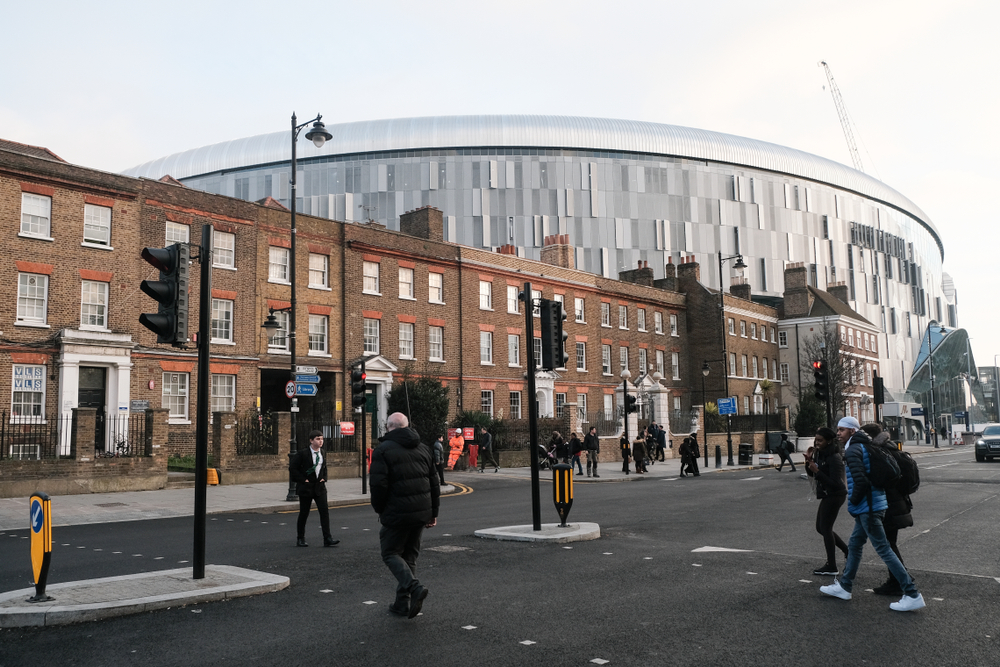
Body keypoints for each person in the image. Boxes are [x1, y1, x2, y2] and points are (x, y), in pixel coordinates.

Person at [820, 417, 926, 612]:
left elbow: (860, 482)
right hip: (874, 504)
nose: (838, 434)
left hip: (867, 508)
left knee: (884, 549)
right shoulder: (866, 446)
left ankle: (912, 593)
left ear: (852, 431)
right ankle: (845, 586)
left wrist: (852, 503)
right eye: (838, 430)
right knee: (855, 545)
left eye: (842, 430)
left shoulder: (853, 449)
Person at [370, 412, 440, 619]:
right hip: (421, 512)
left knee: (390, 553)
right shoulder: (424, 448)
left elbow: (378, 486)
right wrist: (433, 513)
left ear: (390, 427)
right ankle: (402, 603)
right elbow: (434, 483)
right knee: (409, 555)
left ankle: (414, 587)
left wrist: (380, 509)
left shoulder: (382, 450)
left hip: (397, 512)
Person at [861, 423, 915, 597]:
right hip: (899, 502)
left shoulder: (880, 453)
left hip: (889, 504)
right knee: (889, 543)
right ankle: (899, 578)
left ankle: (900, 580)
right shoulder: (890, 449)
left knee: (887, 545)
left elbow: (879, 480)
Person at [804, 427, 848, 576]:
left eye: (820, 440)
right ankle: (847, 551)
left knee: (825, 528)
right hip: (827, 494)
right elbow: (813, 473)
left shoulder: (834, 458)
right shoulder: (820, 454)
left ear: (829, 441)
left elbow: (836, 482)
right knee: (820, 528)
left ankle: (831, 565)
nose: (817, 443)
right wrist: (808, 462)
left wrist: (818, 471)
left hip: (836, 495)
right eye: (816, 440)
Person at [289, 430, 339, 548]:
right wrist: (303, 480)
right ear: (311, 441)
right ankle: (300, 538)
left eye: (321, 439)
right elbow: (292, 468)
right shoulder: (303, 454)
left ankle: (327, 538)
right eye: (317, 439)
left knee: (324, 512)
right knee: (304, 513)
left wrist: (324, 478)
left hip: (319, 487)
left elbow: (324, 467)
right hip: (306, 487)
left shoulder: (322, 452)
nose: (320, 441)